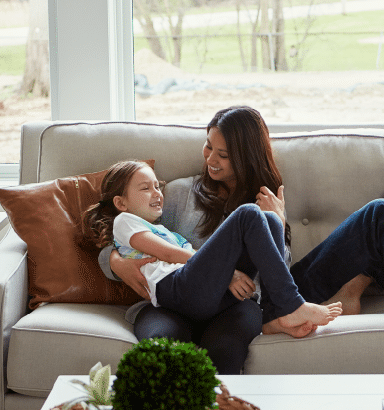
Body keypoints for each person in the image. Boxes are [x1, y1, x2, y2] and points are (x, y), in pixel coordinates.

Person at [99, 106, 338, 374]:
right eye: (208, 146)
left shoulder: (267, 205)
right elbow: (128, 232)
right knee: (162, 345)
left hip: (232, 306)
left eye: (223, 155)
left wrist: (279, 222)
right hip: (175, 301)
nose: (211, 159)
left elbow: (274, 272)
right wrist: (114, 261)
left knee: (225, 349)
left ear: (246, 158)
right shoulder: (179, 194)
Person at [84, 160, 341, 339]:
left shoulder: (167, 232)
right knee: (249, 213)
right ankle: (291, 303)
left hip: (202, 295)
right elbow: (170, 255)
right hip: (173, 289)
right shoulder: (126, 221)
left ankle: (277, 315)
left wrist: (279, 223)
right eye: (145, 188)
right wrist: (226, 271)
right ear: (121, 202)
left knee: (271, 220)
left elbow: (193, 260)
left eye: (157, 186)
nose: (158, 193)